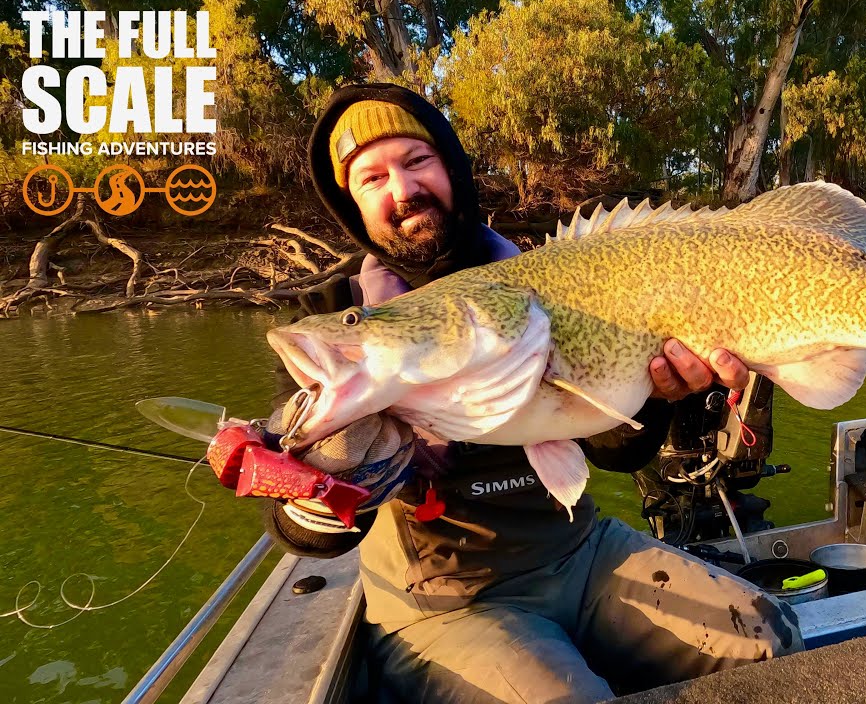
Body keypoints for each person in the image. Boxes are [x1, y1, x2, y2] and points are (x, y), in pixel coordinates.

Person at [260, 83, 803, 703]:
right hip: (445, 603)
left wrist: (656, 394)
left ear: (451, 169)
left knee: (771, 637)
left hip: (579, 550)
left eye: (416, 161)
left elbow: (615, 455)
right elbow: (300, 533)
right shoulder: (331, 318)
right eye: (371, 178)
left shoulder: (546, 280)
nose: (402, 189)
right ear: (350, 204)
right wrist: (327, 475)